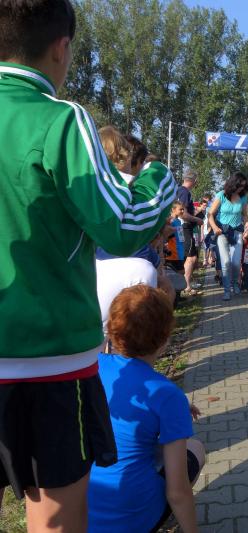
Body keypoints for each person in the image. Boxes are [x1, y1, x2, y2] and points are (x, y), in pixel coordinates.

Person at [0, 1, 176, 528]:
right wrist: (157, 175)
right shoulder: (60, 119)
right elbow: (122, 224)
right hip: (50, 363)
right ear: (62, 47)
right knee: (55, 521)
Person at [87, 285, 205, 533]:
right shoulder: (167, 395)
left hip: (80, 511)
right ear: (165, 338)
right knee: (195, 448)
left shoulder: (91, 368)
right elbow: (177, 492)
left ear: (112, 331)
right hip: (131, 518)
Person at [208, 172, 248, 301]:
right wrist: (215, 228)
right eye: (239, 186)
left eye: (243, 186)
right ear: (233, 184)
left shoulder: (243, 197)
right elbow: (210, 214)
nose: (241, 188)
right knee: (226, 262)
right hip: (222, 232)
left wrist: (247, 226)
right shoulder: (221, 195)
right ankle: (227, 291)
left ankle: (235, 284)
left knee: (236, 263)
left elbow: (245, 215)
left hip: (237, 232)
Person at [176, 170, 205, 296]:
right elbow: (182, 213)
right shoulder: (184, 192)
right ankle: (186, 286)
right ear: (194, 180)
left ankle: (185, 284)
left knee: (188, 256)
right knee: (190, 257)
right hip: (185, 227)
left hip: (182, 227)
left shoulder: (180, 190)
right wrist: (197, 219)